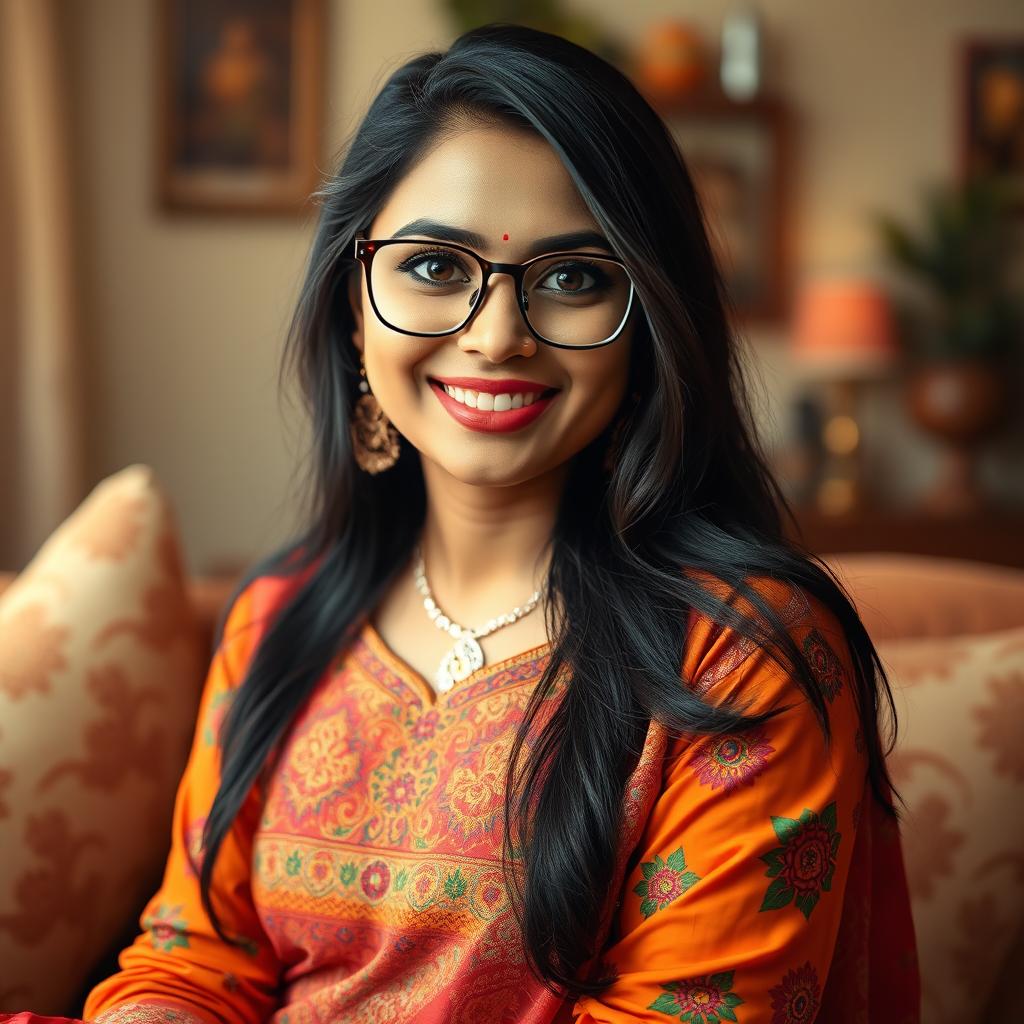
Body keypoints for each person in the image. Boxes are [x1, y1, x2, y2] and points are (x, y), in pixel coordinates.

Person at [68, 21, 919, 1024]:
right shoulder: (278, 619)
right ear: (354, 299)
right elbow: (191, 957)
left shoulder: (737, 660)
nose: (495, 333)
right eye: (434, 266)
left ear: (644, 329)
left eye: (572, 277)